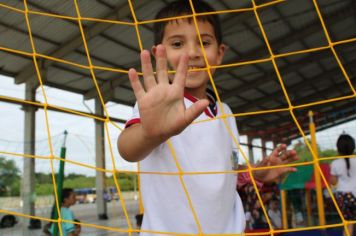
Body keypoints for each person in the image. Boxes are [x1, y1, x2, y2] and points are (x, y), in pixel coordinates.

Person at [117, 1, 298, 234]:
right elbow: (127, 148)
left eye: (204, 42)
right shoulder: (157, 106)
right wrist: (148, 134)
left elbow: (227, 170)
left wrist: (257, 174)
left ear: (219, 53)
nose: (192, 53)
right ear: (159, 53)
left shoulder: (226, 112)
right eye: (177, 43)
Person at [330, 133, 356, 236]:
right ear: (353, 146)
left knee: (348, 224)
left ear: (338, 148)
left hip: (343, 196)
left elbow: (333, 182)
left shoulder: (335, 163)